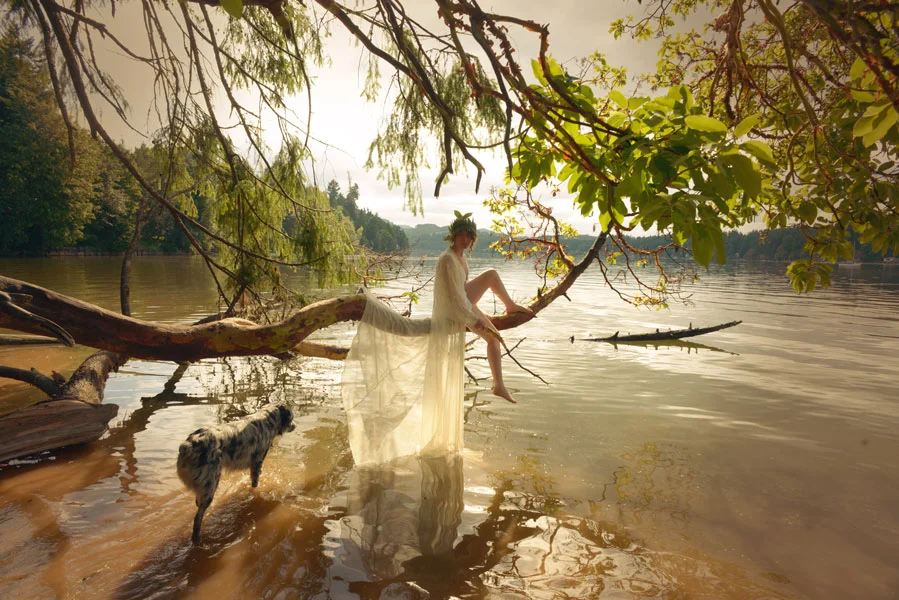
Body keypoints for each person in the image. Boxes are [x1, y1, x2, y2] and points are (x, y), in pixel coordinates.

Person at [341, 211, 533, 465]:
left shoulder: (461, 260)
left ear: (473, 239)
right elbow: (453, 299)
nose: (464, 239)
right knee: (492, 338)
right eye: (461, 235)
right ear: (453, 236)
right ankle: (499, 385)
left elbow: (463, 294)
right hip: (453, 312)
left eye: (469, 236)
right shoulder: (446, 260)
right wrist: (475, 320)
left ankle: (507, 322)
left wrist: (480, 314)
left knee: (492, 279)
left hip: (463, 303)